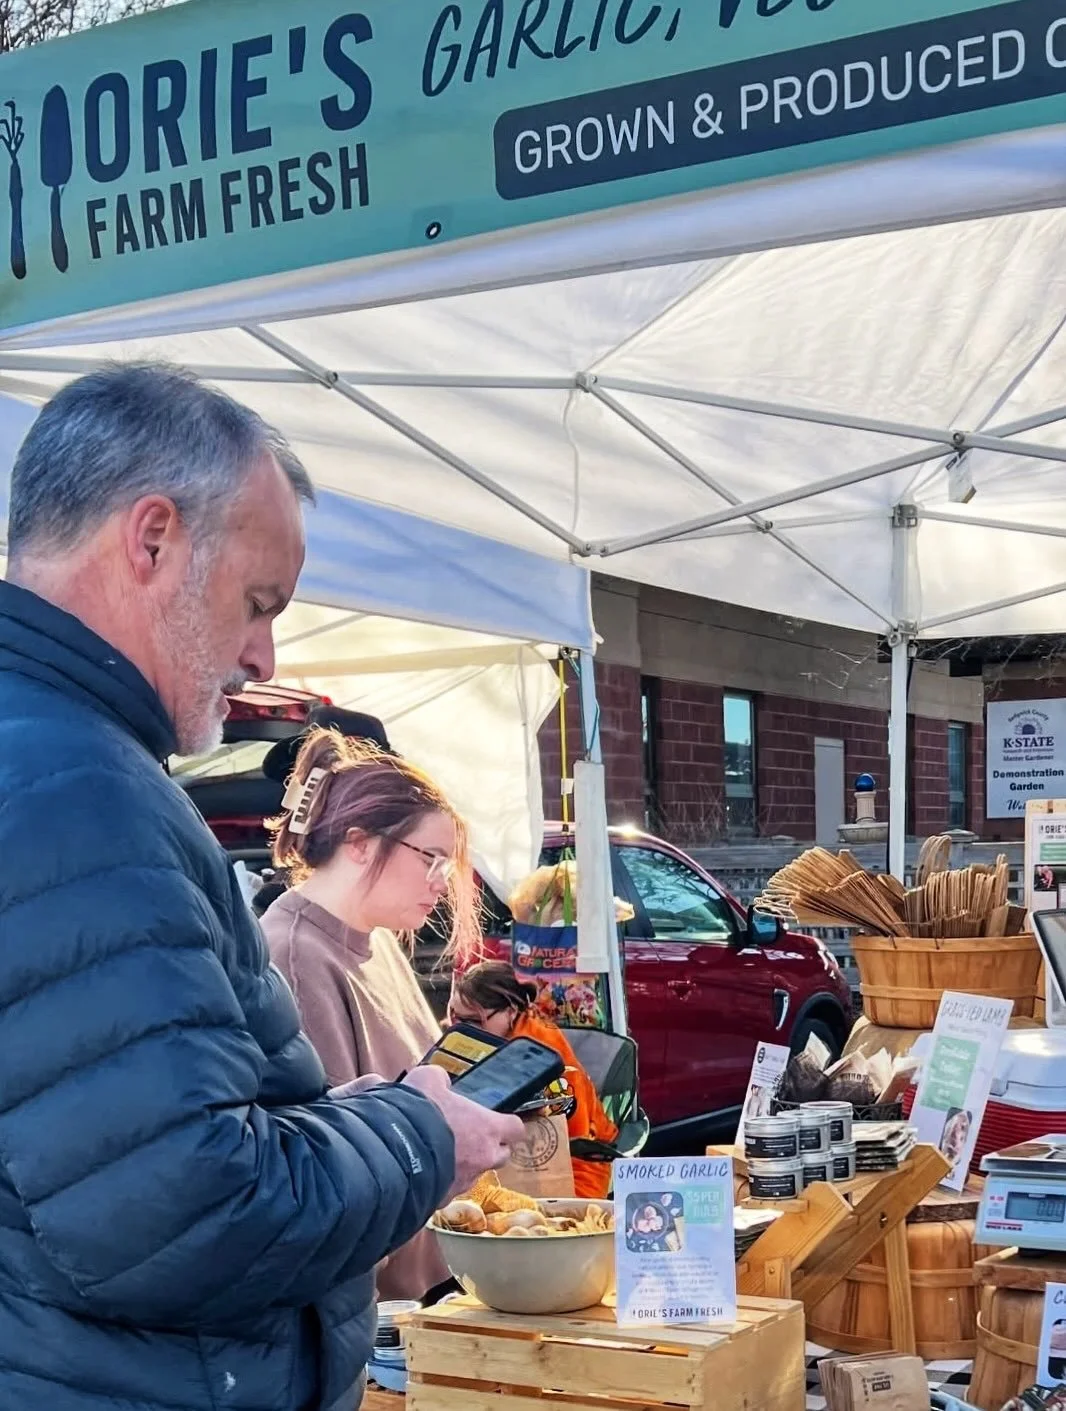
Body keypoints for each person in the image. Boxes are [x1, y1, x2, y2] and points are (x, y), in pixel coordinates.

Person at [0, 362, 523, 1411]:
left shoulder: (53, 757)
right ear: (151, 538)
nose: (262, 652)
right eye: (256, 602)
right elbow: (184, 1213)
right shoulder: (78, 792)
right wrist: (422, 1132)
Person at [261, 728, 479, 1301]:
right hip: (376, 1310)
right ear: (359, 843)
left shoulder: (378, 938)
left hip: (434, 1276)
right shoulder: (294, 955)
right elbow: (326, 1163)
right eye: (431, 859)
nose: (441, 884)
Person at [448, 961, 619, 1198]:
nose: (461, 1028)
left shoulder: (539, 1050)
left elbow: (573, 1133)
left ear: (510, 1011)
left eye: (474, 1021)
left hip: (576, 1162)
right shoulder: (492, 1036)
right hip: (510, 1159)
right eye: (455, 1017)